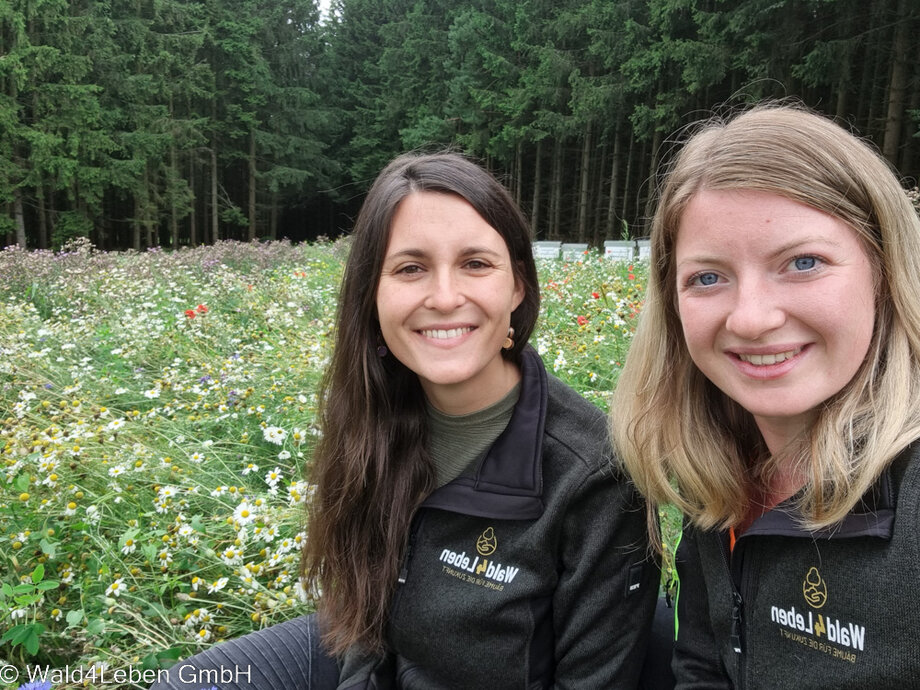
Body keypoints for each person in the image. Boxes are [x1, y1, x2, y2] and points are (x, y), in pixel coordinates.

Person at [152, 151, 658, 690]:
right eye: (410, 268)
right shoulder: (371, 414)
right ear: (373, 294)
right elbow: (361, 617)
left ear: (518, 286)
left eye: (476, 264)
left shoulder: (594, 476)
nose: (444, 298)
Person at [610, 103, 920, 689]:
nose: (750, 319)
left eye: (803, 263)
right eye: (708, 277)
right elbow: (703, 667)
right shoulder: (722, 475)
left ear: (885, 269)